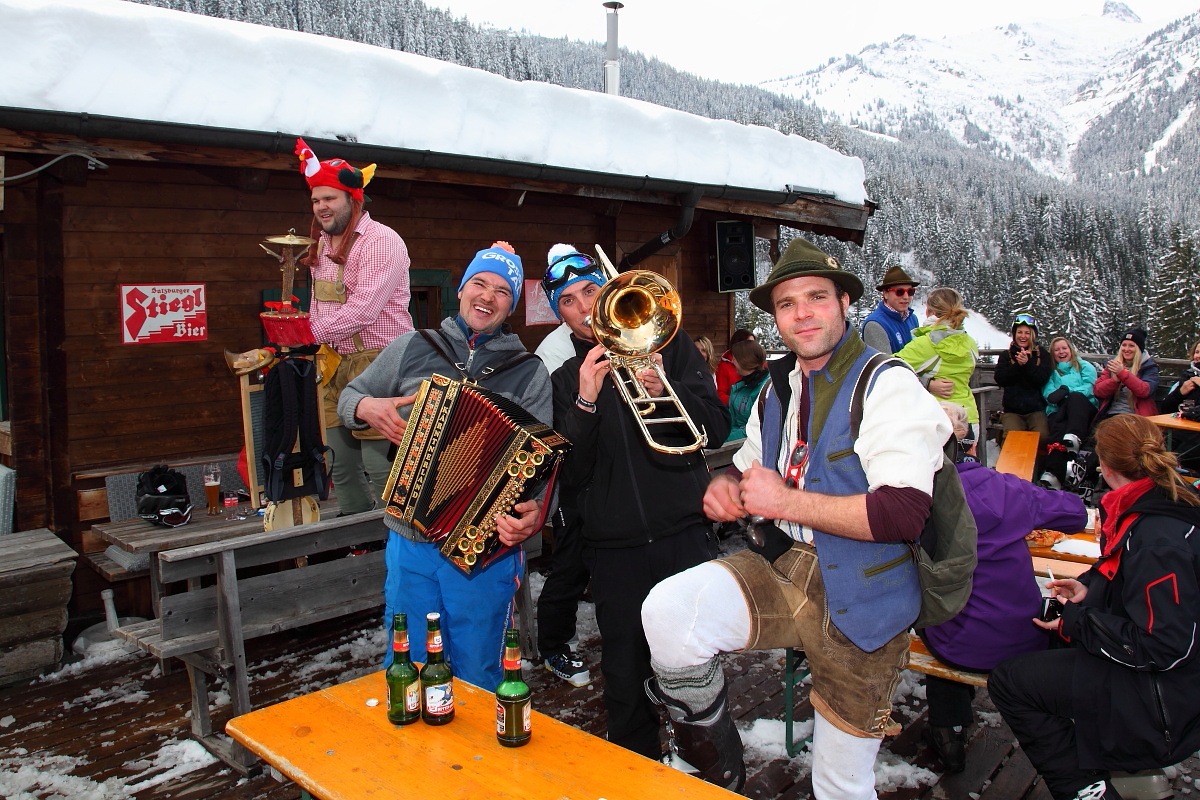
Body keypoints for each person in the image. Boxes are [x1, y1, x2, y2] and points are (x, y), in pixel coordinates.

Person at [640, 237, 950, 796]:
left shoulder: (888, 384)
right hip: (786, 568)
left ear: (844, 304)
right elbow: (747, 467)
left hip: (867, 591)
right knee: (668, 611)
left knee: (838, 782)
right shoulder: (777, 388)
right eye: (787, 304)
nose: (803, 313)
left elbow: (903, 513)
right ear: (776, 318)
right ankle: (718, 770)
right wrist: (725, 486)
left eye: (817, 298)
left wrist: (783, 502)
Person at [541, 244, 730, 760]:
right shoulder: (561, 380)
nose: (583, 307)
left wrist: (664, 386)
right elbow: (571, 476)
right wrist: (583, 401)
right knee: (624, 670)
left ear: (608, 292)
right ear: (561, 316)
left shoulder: (672, 345)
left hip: (684, 532)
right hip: (614, 548)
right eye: (569, 302)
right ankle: (636, 768)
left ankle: (712, 764)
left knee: (696, 666)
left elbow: (713, 428)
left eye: (589, 291)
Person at [338, 242, 550, 690]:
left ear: (510, 304)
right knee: (410, 666)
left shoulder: (529, 372)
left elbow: (540, 466)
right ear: (461, 289)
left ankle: (477, 760)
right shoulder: (413, 346)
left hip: (483, 549)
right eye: (479, 283)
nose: (487, 296)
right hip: (409, 538)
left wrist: (533, 512)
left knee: (479, 672)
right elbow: (347, 398)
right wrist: (367, 406)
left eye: (501, 290)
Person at [989, 414, 1200, 800]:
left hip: (1167, 696)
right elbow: (1131, 581)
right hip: (1166, 679)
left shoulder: (1157, 539)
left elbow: (1165, 645)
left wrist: (1077, 621)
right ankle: (1120, 766)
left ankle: (1087, 790)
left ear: (1104, 464)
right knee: (1043, 657)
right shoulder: (1161, 503)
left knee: (1010, 681)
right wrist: (1090, 589)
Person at [921, 401, 1087, 773]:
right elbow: (1076, 513)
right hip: (1022, 637)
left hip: (958, 642)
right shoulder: (1006, 488)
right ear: (974, 445)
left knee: (936, 609)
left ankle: (947, 728)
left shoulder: (917, 497)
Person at [294, 139, 414, 516]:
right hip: (334, 363)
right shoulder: (320, 243)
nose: (321, 207)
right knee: (340, 466)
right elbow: (318, 305)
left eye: (329, 198)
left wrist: (306, 333)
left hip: (384, 364)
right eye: (315, 200)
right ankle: (359, 549)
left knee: (382, 467)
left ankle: (396, 546)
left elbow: (363, 311)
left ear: (352, 198)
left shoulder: (382, 241)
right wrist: (300, 330)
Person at [896, 287, 980, 440]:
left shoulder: (926, 344)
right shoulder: (970, 343)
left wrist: (925, 383)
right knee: (968, 463)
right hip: (969, 419)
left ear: (930, 313)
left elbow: (889, 369)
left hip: (938, 420)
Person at [1038, 337, 1100, 490]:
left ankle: (1074, 437)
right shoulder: (1051, 372)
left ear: (1070, 349)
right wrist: (1059, 397)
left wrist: (1066, 392)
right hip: (1059, 412)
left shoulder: (1084, 366)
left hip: (1082, 409)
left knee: (1074, 398)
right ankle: (1053, 473)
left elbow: (1090, 388)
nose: (1061, 352)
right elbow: (1049, 394)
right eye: (1057, 350)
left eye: (1064, 348)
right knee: (1059, 425)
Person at [994, 313, 1052, 446]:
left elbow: (1041, 379)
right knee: (1013, 439)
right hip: (1012, 411)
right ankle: (1011, 466)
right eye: (1019, 332)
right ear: (1014, 334)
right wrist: (1018, 366)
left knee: (1042, 437)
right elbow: (1001, 379)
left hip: (1036, 410)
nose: (1023, 336)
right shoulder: (1006, 356)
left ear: (1033, 335)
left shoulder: (1042, 354)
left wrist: (1028, 364)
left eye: (1027, 332)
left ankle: (1037, 466)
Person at [1093, 328, 1158, 420]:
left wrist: (1122, 373)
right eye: (1124, 345)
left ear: (1139, 349)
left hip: (1137, 417)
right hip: (1111, 414)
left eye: (1131, 346)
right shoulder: (1113, 364)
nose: (1126, 349)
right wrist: (1114, 381)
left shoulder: (1148, 367)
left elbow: (1144, 391)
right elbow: (1098, 391)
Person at [860, 265, 920, 354]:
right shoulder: (875, 325)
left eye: (910, 292)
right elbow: (884, 365)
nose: (906, 297)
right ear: (885, 294)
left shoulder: (912, 318)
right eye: (899, 292)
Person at [724, 339, 770, 443]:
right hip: (734, 441)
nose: (732, 361)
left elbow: (756, 428)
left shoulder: (766, 389)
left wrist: (723, 439)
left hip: (749, 446)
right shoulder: (742, 385)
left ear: (744, 360)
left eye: (734, 358)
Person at [1159, 339, 1200, 413]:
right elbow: (1165, 409)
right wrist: (1179, 393)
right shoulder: (1187, 377)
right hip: (1184, 423)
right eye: (1197, 352)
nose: (1199, 356)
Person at [716, 329, 756, 403]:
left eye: (753, 344)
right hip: (733, 410)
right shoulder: (724, 366)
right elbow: (720, 394)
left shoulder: (758, 363)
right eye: (749, 343)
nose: (752, 347)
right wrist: (737, 403)